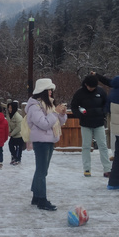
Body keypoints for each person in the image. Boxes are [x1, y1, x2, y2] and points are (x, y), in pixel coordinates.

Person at [27, 78, 68, 211]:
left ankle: (36, 196)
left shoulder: (49, 104)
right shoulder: (34, 106)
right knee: (41, 170)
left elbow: (58, 123)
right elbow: (44, 124)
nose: (51, 92)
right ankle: (42, 199)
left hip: (49, 140)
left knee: (42, 170)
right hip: (41, 141)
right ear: (43, 91)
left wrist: (62, 114)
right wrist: (55, 113)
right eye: (49, 89)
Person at [70, 74, 111, 177]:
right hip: (85, 124)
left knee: (103, 146)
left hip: (99, 123)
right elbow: (74, 106)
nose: (91, 89)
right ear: (85, 84)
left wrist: (103, 112)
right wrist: (80, 115)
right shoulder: (79, 93)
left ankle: (107, 169)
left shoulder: (101, 91)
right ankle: (87, 169)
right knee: (86, 146)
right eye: (90, 87)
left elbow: (107, 103)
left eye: (93, 87)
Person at [7, 100, 25, 165]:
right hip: (13, 134)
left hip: (19, 135)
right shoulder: (9, 116)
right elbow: (8, 124)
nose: (9, 109)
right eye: (9, 108)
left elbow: (19, 127)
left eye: (11, 108)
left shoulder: (18, 117)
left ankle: (18, 159)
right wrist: (9, 131)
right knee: (10, 145)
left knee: (18, 147)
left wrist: (12, 133)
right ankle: (14, 157)